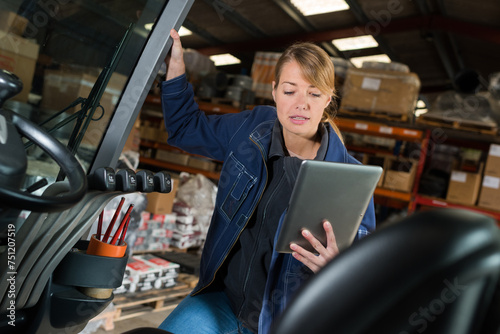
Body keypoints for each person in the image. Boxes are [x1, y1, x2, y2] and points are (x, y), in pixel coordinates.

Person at [158, 29, 376, 334]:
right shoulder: (251, 129)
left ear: (327, 99)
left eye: (314, 93)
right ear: (274, 92)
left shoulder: (348, 179)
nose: (301, 103)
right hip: (222, 302)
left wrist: (339, 270)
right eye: (290, 91)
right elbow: (185, 128)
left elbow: (365, 274)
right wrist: (176, 66)